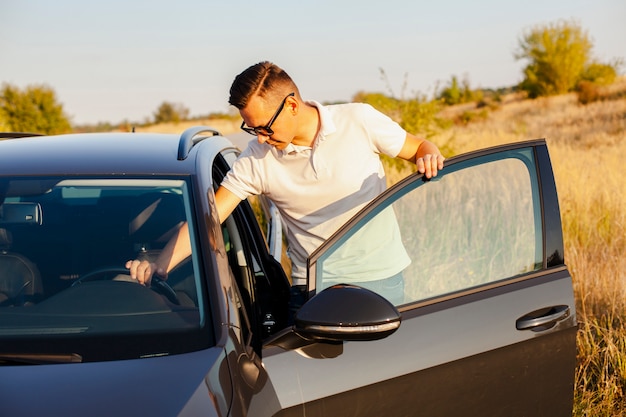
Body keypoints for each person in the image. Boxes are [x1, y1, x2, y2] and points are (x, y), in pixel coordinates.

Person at [126, 61, 444, 307]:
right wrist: (160, 265)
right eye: (252, 129)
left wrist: (429, 155)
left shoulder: (358, 120)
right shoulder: (256, 159)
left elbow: (418, 147)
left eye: (264, 127)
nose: (261, 138)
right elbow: (209, 218)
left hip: (382, 279)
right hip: (313, 290)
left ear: (291, 105)